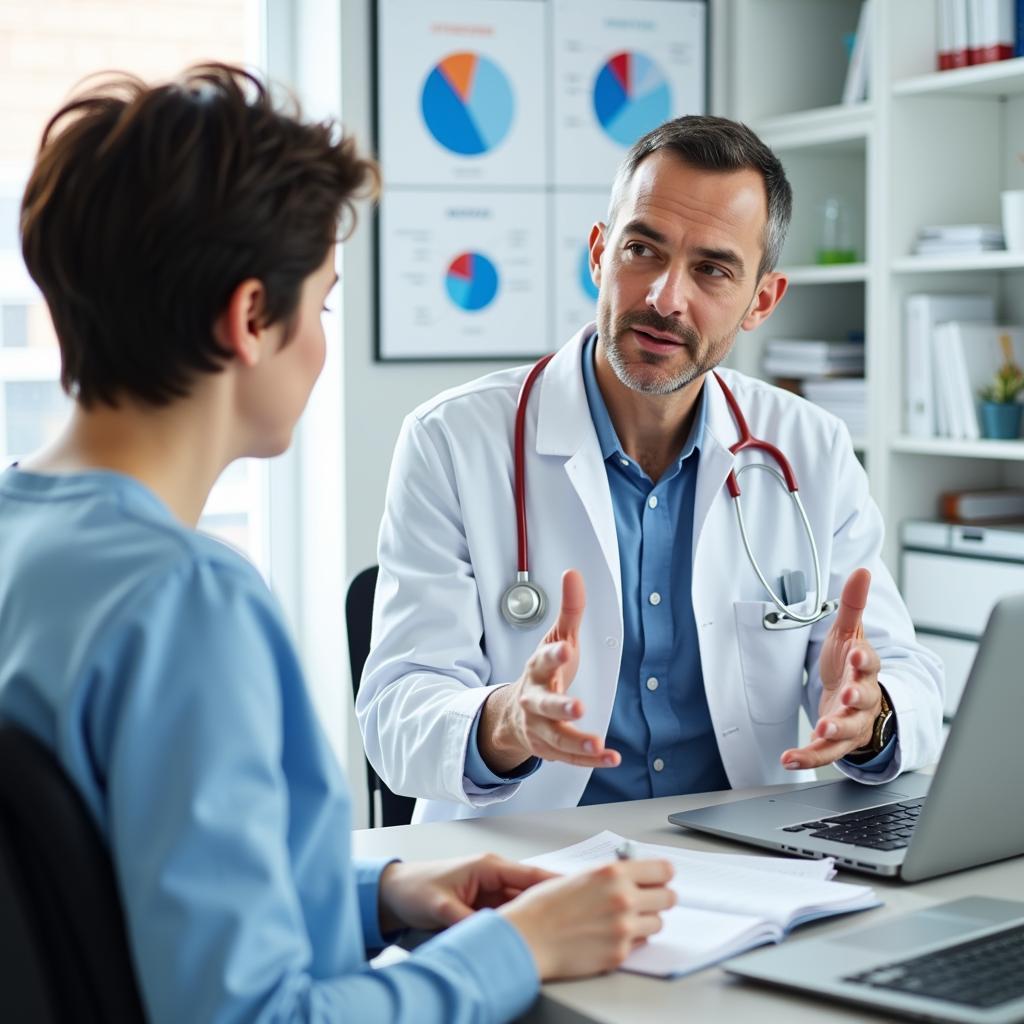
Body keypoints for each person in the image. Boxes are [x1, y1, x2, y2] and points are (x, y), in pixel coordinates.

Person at [0, 65, 677, 1024]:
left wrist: (381, 895)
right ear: (248, 321)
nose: (319, 338)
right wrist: (516, 948)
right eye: (321, 303)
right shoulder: (187, 604)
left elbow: (112, 908)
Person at [358, 115, 945, 824]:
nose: (666, 298)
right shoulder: (454, 440)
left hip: (746, 861)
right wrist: (507, 720)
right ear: (600, 254)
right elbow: (396, 708)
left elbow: (905, 676)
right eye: (643, 249)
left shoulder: (810, 450)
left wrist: (870, 714)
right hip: (525, 864)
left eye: (713, 269)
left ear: (762, 299)